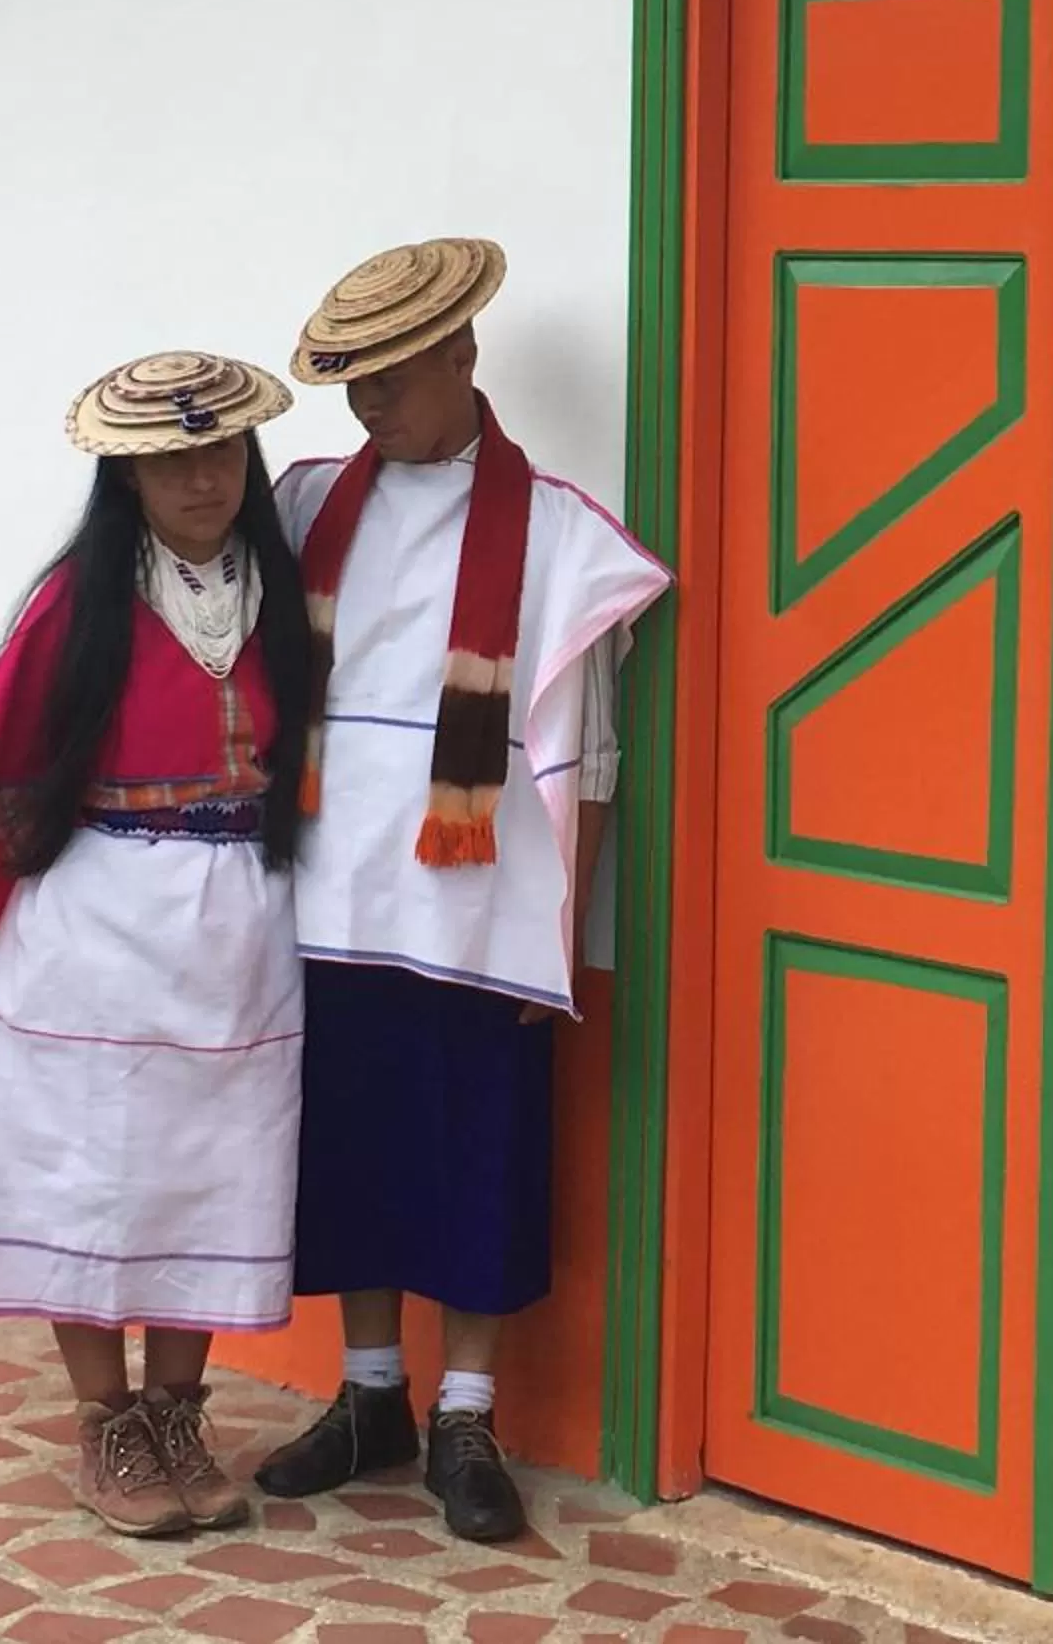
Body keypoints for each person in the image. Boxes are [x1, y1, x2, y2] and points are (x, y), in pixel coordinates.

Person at [0, 350, 312, 1539]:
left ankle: (176, 1414)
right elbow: (3, 758)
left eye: (221, 452)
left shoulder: (288, 594)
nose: (204, 477)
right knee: (95, 1169)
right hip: (99, 921)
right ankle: (105, 1422)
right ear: (129, 476)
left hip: (244, 928)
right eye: (173, 459)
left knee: (213, 1162)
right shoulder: (80, 604)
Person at [250, 238, 669, 1543]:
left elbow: (588, 750)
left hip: (478, 894)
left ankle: (466, 1413)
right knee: (350, 1139)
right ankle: (371, 1390)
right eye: (354, 381)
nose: (370, 404)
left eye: (392, 375)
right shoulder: (313, 504)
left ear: (461, 354)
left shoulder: (551, 531)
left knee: (477, 1143)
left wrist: (563, 924)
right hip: (331, 886)